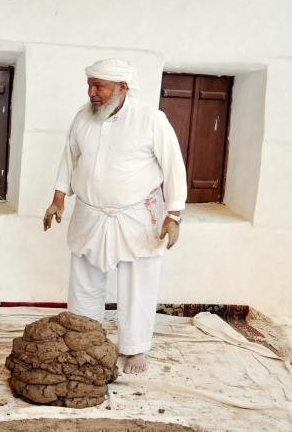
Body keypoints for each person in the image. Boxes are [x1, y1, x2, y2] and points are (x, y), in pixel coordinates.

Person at [43, 58, 187, 374]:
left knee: (138, 282)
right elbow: (69, 159)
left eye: (99, 86)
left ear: (122, 87)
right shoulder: (83, 117)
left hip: (136, 216)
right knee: (84, 278)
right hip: (90, 213)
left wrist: (174, 215)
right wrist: (58, 199)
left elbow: (173, 166)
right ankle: (85, 339)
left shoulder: (151, 119)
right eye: (90, 85)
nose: (91, 92)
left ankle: (134, 349)